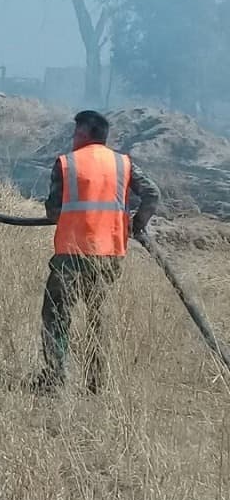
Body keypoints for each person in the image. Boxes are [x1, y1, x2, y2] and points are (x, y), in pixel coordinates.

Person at [34, 109, 161, 394]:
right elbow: (152, 194)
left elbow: (54, 210)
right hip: (109, 253)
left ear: (83, 134)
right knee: (98, 317)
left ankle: (55, 378)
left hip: (71, 252)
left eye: (75, 133)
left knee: (57, 313)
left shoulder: (67, 164)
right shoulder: (123, 164)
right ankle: (96, 384)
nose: (72, 138)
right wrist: (134, 224)